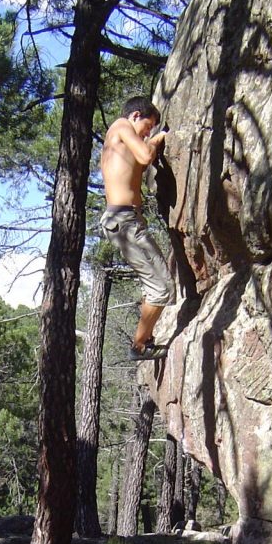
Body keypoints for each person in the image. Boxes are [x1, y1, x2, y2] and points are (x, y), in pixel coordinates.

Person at [100, 96, 176, 360]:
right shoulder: (121, 125)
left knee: (154, 284)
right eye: (148, 125)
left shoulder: (119, 140)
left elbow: (140, 161)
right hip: (124, 221)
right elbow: (145, 154)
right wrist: (157, 139)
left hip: (125, 221)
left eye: (153, 128)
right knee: (162, 287)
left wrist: (152, 140)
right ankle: (139, 346)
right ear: (135, 115)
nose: (148, 131)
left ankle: (145, 341)